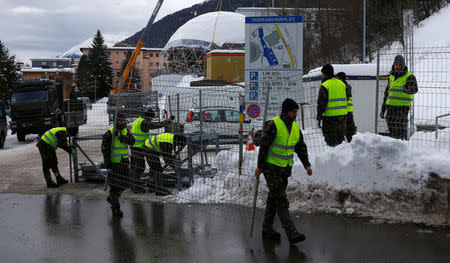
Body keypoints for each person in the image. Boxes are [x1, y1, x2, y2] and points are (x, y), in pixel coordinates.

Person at [254, 98, 313, 245]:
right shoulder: (273, 125)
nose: (295, 115)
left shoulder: (295, 128)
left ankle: (267, 229)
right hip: (271, 169)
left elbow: (301, 147)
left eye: (296, 112)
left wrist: (307, 165)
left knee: (273, 199)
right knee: (281, 199)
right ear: (287, 111)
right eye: (294, 112)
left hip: (284, 170)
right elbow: (264, 147)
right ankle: (291, 232)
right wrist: (260, 167)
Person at [130, 108, 174, 193]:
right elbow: (156, 125)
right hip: (139, 148)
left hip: (134, 147)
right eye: (151, 118)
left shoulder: (137, 121)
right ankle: (136, 187)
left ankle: (135, 185)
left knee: (135, 167)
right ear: (149, 116)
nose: (151, 119)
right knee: (139, 168)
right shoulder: (144, 123)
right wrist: (168, 121)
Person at [101, 113, 135, 217]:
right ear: (116, 121)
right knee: (115, 186)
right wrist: (108, 164)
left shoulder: (126, 131)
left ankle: (112, 199)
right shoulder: (110, 133)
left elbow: (132, 141)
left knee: (126, 182)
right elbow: (104, 149)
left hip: (124, 162)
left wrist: (122, 138)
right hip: (114, 163)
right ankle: (116, 208)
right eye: (120, 121)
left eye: (123, 120)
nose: (122, 122)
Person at [380, 55, 418, 139]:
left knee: (398, 134)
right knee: (392, 133)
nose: (397, 67)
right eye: (396, 64)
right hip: (390, 109)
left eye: (399, 65)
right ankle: (396, 148)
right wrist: (383, 109)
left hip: (402, 110)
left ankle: (397, 149)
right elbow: (387, 94)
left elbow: (415, 89)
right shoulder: (391, 77)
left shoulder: (409, 76)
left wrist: (407, 89)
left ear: (403, 65)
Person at [317, 64, 348, 147]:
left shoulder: (325, 85)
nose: (322, 75)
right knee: (340, 142)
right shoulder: (342, 84)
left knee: (331, 143)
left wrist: (319, 117)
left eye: (322, 73)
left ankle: (333, 159)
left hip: (330, 119)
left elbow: (321, 104)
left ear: (325, 74)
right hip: (342, 117)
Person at [336, 72, 357, 142]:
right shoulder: (345, 86)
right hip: (344, 111)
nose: (336, 80)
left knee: (349, 129)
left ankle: (352, 143)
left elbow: (345, 98)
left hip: (346, 111)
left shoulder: (346, 87)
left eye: (337, 78)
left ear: (341, 79)